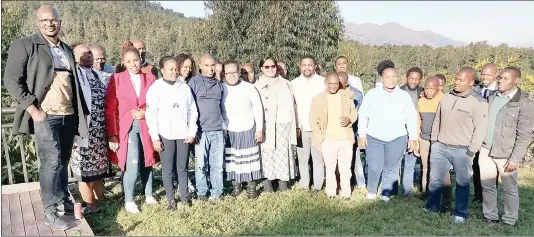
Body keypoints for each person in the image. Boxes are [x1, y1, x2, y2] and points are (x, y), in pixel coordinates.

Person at [3, 5, 89, 230]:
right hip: (45, 115)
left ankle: (62, 202)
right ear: (37, 22)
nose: (50, 23)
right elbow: (12, 81)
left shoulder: (66, 49)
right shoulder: (25, 45)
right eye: (45, 20)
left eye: (54, 20)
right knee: (51, 162)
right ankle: (51, 212)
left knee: (62, 162)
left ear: (60, 22)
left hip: (68, 115)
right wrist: (34, 110)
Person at [425, 67, 489, 223]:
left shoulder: (478, 102)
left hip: (462, 150)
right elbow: (437, 120)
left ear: (471, 83)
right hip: (440, 147)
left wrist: (471, 151)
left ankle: (460, 213)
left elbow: (480, 129)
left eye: (461, 80)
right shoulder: (447, 96)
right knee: (435, 180)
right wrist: (434, 142)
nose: (456, 82)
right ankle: (432, 206)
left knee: (462, 183)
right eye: (456, 78)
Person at [105, 46, 159, 214]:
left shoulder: (150, 78)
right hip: (126, 128)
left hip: (146, 126)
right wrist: (112, 134)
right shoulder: (117, 79)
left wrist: (146, 113)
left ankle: (148, 194)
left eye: (135, 60)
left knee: (148, 160)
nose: (133, 64)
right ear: (124, 62)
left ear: (140, 59)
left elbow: (158, 103)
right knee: (132, 163)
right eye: (128, 61)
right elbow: (110, 108)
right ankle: (129, 200)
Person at [479, 67, 534, 226]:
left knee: (509, 189)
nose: (500, 81)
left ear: (516, 81)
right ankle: (490, 215)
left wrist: (515, 159)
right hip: (486, 149)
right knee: (487, 185)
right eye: (500, 78)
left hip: (506, 153)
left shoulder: (523, 103)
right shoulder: (491, 97)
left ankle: (509, 219)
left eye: (505, 79)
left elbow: (524, 134)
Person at [357, 60, 418, 202]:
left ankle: (386, 192)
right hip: (374, 137)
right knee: (374, 166)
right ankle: (372, 191)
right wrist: (362, 134)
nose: (391, 80)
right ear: (382, 78)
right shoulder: (372, 94)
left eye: (393, 77)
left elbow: (411, 117)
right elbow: (363, 115)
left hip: (397, 137)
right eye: (387, 77)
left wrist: (412, 137)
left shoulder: (404, 96)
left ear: (397, 78)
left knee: (391, 167)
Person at [145, 56, 197, 210]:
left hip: (183, 134)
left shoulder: (184, 87)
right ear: (162, 70)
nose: (175, 72)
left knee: (182, 168)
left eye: (176, 69)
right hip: (165, 134)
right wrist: (155, 138)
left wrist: (191, 132)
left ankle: (184, 196)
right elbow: (151, 115)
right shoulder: (155, 88)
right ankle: (171, 200)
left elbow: (192, 110)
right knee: (168, 169)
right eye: (171, 69)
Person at [70, 43, 109, 214]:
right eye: (83, 53)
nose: (88, 56)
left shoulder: (98, 75)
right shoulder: (73, 76)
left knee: (99, 166)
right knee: (84, 169)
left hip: (99, 130)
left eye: (89, 53)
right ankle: (89, 204)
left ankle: (101, 198)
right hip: (83, 129)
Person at [310, 72, 358, 198]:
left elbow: (354, 112)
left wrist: (349, 119)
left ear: (339, 83)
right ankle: (331, 192)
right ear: (325, 83)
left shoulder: (346, 96)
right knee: (330, 168)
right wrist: (320, 137)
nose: (333, 86)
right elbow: (313, 120)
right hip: (328, 140)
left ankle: (346, 193)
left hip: (345, 139)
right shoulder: (318, 99)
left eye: (336, 83)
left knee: (345, 169)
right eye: (330, 83)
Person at [221, 60, 264, 198]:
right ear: (224, 74)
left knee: (250, 161)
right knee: (233, 161)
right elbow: (219, 110)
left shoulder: (249, 87)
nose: (231, 75)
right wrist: (223, 127)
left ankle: (252, 188)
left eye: (234, 72)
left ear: (239, 72)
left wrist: (259, 129)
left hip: (248, 128)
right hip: (230, 130)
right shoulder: (221, 88)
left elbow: (258, 108)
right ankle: (236, 187)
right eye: (228, 73)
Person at [255, 57, 298, 192]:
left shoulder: (286, 83)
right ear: (262, 68)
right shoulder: (257, 86)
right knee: (267, 155)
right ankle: (268, 185)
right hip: (266, 124)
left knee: (282, 154)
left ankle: (283, 185)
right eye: (266, 67)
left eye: (272, 66)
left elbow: (292, 105)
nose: (270, 69)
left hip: (283, 123)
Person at [188, 54, 226, 201]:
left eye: (212, 65)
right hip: (201, 132)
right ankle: (202, 192)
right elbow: (189, 108)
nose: (210, 69)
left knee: (216, 164)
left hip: (217, 130)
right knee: (201, 165)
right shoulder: (194, 82)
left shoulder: (219, 85)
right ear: (200, 66)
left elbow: (222, 107)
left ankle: (217, 192)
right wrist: (193, 130)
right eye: (207, 65)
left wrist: (224, 127)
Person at [291, 55, 326, 193]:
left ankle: (317, 186)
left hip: (318, 128)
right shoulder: (293, 84)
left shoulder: (323, 82)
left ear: (315, 66)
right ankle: (304, 185)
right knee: (303, 159)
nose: (307, 68)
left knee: (318, 159)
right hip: (301, 127)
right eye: (304, 65)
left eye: (310, 65)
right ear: (300, 67)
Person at [416, 76, 451, 212]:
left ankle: (446, 201)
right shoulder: (421, 101)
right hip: (424, 139)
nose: (429, 91)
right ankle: (428, 195)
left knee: (443, 171)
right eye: (427, 88)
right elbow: (418, 120)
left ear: (439, 88)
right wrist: (417, 139)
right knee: (426, 167)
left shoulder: (445, 99)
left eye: (432, 88)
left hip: (440, 140)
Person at [472, 63, 499, 203]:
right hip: (476, 135)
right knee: (476, 166)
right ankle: (478, 196)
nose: (484, 77)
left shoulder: (500, 92)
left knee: (491, 170)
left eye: (488, 75)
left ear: (495, 75)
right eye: (482, 74)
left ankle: (490, 197)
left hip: (492, 137)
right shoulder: (475, 90)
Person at [399, 67, 424, 197]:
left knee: (410, 162)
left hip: (415, 131)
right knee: (396, 163)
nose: (414, 81)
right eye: (411, 78)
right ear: (406, 78)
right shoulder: (398, 91)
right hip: (399, 131)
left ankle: (407, 192)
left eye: (417, 78)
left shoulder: (424, 92)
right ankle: (391, 189)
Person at [338, 72, 365, 189]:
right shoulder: (330, 94)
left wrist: (359, 134)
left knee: (356, 159)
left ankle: (361, 184)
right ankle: (341, 184)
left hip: (352, 131)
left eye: (339, 83)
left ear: (346, 83)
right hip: (336, 133)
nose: (336, 85)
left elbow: (360, 114)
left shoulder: (356, 94)